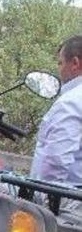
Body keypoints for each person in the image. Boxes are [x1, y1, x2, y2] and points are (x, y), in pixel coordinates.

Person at [31, 35, 82, 188]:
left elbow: (56, 160)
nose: (59, 69)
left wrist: (42, 199)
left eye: (60, 63)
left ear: (75, 63)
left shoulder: (72, 101)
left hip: (67, 201)